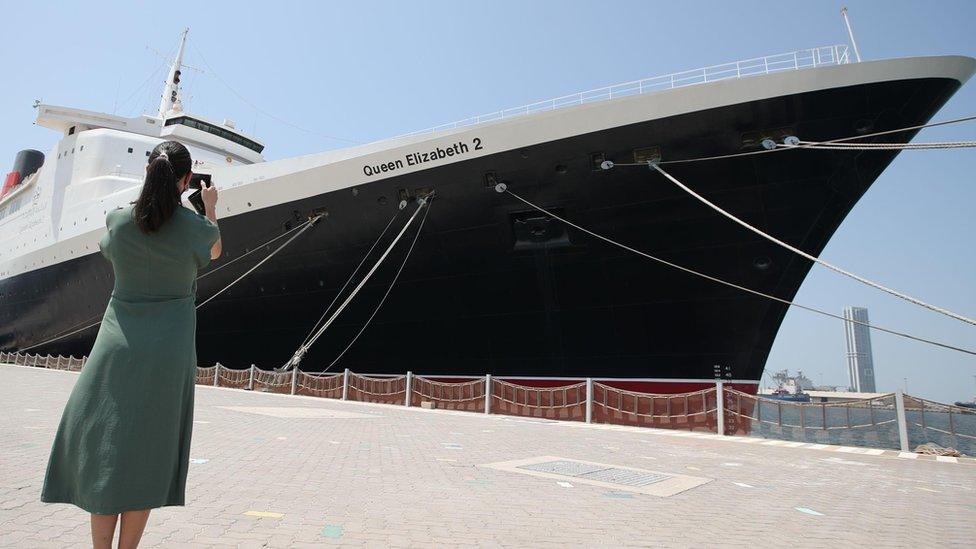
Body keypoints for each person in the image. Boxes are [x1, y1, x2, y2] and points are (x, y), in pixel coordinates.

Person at [40, 140, 221, 549]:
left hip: (116, 345)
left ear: (147, 173)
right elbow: (213, 249)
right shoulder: (198, 229)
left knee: (108, 450)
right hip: (167, 351)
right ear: (187, 179)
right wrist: (209, 206)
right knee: (146, 457)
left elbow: (118, 245)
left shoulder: (119, 222)